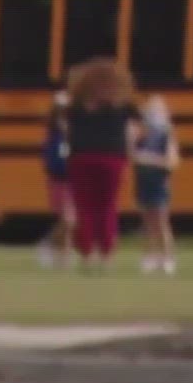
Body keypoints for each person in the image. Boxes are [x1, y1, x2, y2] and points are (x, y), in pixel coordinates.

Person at [64, 59, 141, 271]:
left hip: (81, 157)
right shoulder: (124, 107)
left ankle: (87, 254)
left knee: (84, 206)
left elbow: (67, 132)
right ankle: (106, 255)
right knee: (108, 206)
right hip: (113, 158)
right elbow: (134, 132)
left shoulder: (75, 106)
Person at [131, 94, 180, 275]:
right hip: (143, 183)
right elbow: (132, 156)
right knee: (147, 222)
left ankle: (167, 258)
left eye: (155, 110)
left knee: (161, 222)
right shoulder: (141, 135)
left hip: (159, 184)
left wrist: (149, 159)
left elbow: (172, 161)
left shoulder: (166, 135)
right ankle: (150, 257)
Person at [36, 90, 75, 269]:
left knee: (70, 221)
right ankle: (55, 248)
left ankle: (62, 256)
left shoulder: (73, 129)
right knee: (66, 219)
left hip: (73, 179)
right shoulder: (53, 132)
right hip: (58, 179)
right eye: (60, 109)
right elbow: (49, 157)